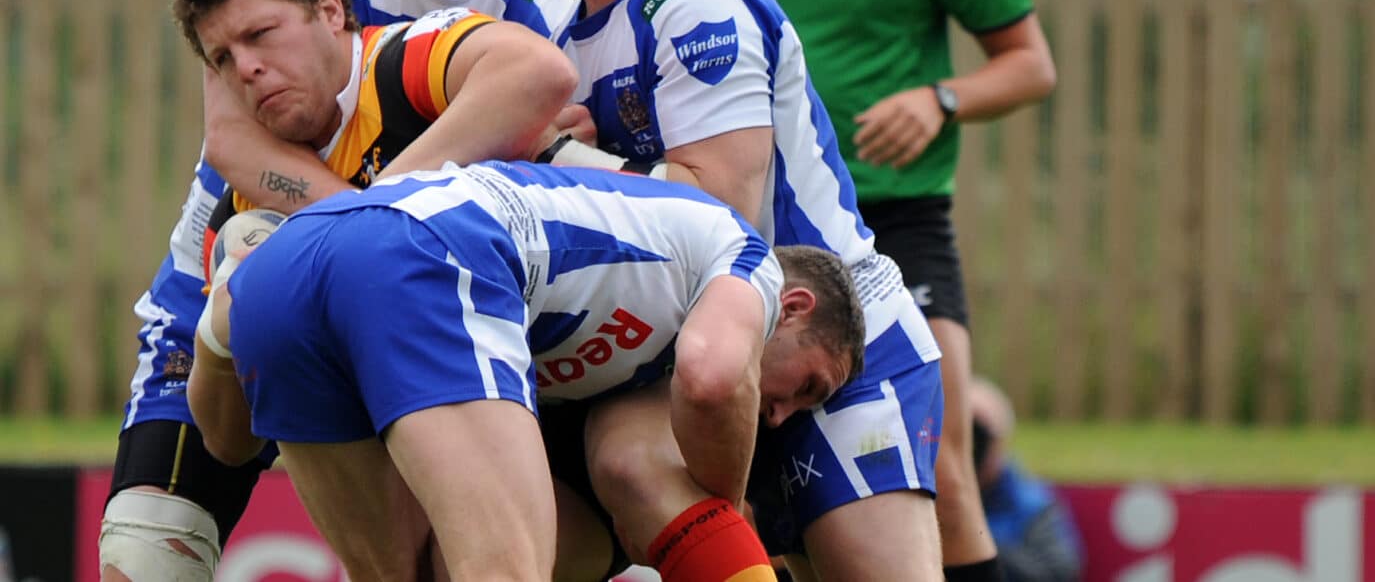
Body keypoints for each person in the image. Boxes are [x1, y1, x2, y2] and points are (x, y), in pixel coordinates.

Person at [522, 0, 945, 582]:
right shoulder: (575, 34)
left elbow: (723, 214)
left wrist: (563, 158)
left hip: (823, 343)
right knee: (627, 465)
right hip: (713, 353)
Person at [678, 0, 1058, 581]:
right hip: (760, 227)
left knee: (944, 462)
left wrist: (942, 98)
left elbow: (1030, 62)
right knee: (760, 470)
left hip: (894, 222)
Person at [98, 0, 576, 581]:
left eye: (260, 36)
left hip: (586, 361)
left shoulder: (401, 59)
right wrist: (221, 331)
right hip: (440, 410)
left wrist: (369, 219)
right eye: (222, 59)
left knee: (636, 473)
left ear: (329, 10)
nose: (247, 69)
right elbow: (230, 444)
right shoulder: (243, 211)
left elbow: (541, 72)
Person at [188, 160, 867, 582]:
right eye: (808, 387)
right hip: (429, 247)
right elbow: (714, 378)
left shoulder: (642, 335)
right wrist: (728, 506)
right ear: (794, 308)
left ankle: (225, 312)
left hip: (301, 254)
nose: (782, 414)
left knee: (407, 576)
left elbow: (227, 449)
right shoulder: (753, 263)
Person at [971, 378, 1082, 582]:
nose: (972, 446)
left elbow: (1059, 572)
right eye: (962, 434)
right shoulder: (921, 492)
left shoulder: (1032, 504)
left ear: (1002, 441)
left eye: (979, 434)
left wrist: (970, 541)